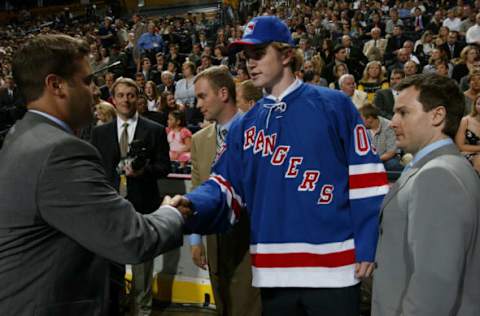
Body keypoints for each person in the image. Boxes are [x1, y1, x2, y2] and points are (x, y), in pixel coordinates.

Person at [170, 16, 388, 315]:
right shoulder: (244, 126)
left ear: (286, 54)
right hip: (273, 271)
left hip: (334, 266)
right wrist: (192, 206)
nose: (250, 63)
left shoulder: (334, 104)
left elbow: (367, 178)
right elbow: (224, 186)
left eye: (258, 54)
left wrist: (365, 242)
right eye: (246, 57)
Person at [0, 34, 188, 316]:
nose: (95, 91)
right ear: (56, 85)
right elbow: (132, 239)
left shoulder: (20, 135)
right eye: (87, 81)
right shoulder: (60, 150)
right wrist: (172, 212)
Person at [372, 73, 480, 316]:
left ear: (437, 115)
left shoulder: (438, 175)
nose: (393, 122)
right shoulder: (445, 166)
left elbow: (434, 282)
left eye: (404, 112)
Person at [91, 77, 172, 316]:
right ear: (113, 99)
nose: (126, 100)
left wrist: (143, 171)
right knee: (111, 267)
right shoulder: (100, 134)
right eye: (121, 95)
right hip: (110, 209)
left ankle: (142, 312)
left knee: (142, 267)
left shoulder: (154, 130)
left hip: (143, 206)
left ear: (138, 98)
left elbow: (164, 167)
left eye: (131, 95)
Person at [189, 66, 261, 316]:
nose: (197, 104)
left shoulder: (257, 131)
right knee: (223, 306)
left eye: (202, 96)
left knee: (247, 307)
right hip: (213, 238)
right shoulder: (199, 140)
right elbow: (198, 188)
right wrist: (196, 239)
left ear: (222, 93)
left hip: (250, 237)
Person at [455, 93, 480, 173]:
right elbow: (460, 146)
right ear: (475, 105)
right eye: (479, 104)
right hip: (467, 154)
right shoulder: (465, 121)